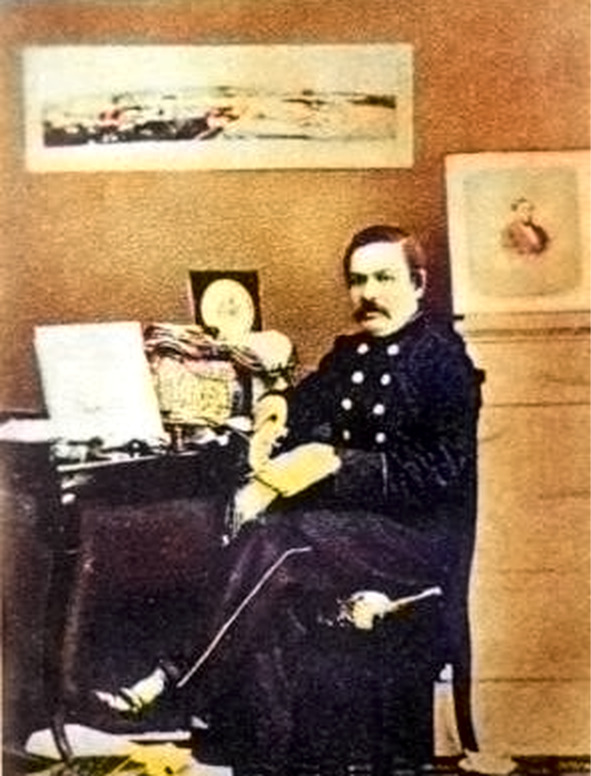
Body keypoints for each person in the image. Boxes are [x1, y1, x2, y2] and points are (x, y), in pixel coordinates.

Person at [95, 224, 482, 776]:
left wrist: (337, 463)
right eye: (357, 281)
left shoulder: (443, 361)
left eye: (384, 278)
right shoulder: (352, 352)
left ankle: (174, 687)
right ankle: (261, 756)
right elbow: (304, 402)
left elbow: (439, 474)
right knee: (267, 569)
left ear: (417, 284)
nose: (368, 293)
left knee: (282, 542)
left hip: (413, 542)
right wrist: (276, 408)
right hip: (349, 536)